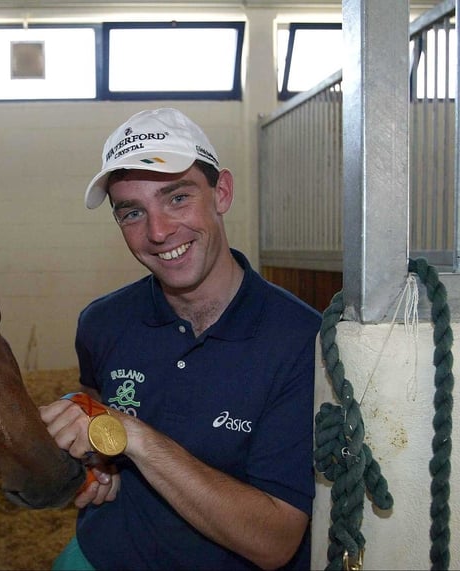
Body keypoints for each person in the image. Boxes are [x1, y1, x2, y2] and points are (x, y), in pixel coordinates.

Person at [40, 108, 321, 570]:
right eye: (132, 212)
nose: (157, 232)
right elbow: (97, 403)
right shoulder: (102, 322)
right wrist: (95, 453)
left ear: (222, 192)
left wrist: (133, 437)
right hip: (102, 553)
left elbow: (274, 542)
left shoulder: (299, 340)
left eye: (177, 198)